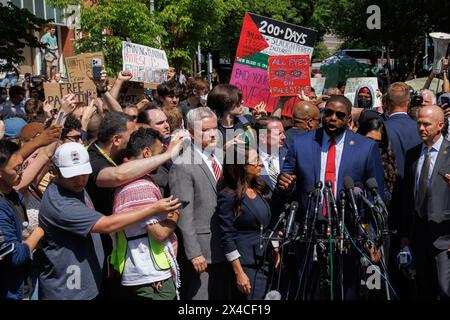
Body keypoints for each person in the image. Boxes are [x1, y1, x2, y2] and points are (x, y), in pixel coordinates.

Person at [37, 142, 180, 300]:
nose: (79, 180)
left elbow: (122, 174)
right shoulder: (61, 204)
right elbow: (107, 225)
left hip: (87, 285)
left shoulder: (71, 187)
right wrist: (153, 209)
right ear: (56, 172)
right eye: (72, 175)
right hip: (70, 290)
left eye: (83, 173)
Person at [278, 95, 385, 300]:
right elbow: (286, 183)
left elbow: (375, 195)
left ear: (348, 120)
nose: (332, 118)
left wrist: (372, 237)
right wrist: (286, 185)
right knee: (309, 291)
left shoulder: (366, 147)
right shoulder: (301, 143)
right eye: (328, 113)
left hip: (349, 231)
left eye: (339, 115)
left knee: (346, 290)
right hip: (310, 230)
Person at [111, 128, 181, 300]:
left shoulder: (125, 181)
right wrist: (175, 214)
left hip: (137, 271)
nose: (162, 159)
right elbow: (159, 233)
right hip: (151, 275)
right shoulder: (142, 186)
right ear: (147, 153)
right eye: (159, 154)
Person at [169, 107, 229, 300]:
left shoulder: (219, 156)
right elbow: (183, 213)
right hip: (202, 251)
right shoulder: (183, 164)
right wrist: (194, 252)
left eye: (214, 128)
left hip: (224, 245)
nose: (212, 134)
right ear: (191, 132)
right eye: (205, 130)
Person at [400, 105, 450, 299]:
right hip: (418, 234)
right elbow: (406, 195)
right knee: (423, 289)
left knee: (445, 289)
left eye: (426, 124)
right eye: (419, 123)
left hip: (444, 235)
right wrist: (405, 235)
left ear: (440, 125)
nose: (421, 128)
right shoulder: (412, 154)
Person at [217, 146, 275, 300]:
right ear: (241, 166)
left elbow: (268, 225)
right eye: (254, 161)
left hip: (265, 260)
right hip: (246, 266)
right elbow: (227, 237)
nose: (259, 164)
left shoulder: (261, 188)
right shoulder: (229, 196)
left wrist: (275, 248)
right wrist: (239, 272)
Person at [0, 140, 44, 300]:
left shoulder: (15, 195)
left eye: (22, 166)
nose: (21, 173)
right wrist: (39, 232)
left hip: (25, 283)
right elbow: (15, 256)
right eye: (16, 169)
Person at [256, 117, 287, 192]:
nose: (284, 137)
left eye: (283, 132)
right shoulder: (249, 158)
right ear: (263, 138)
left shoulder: (288, 155)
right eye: (278, 133)